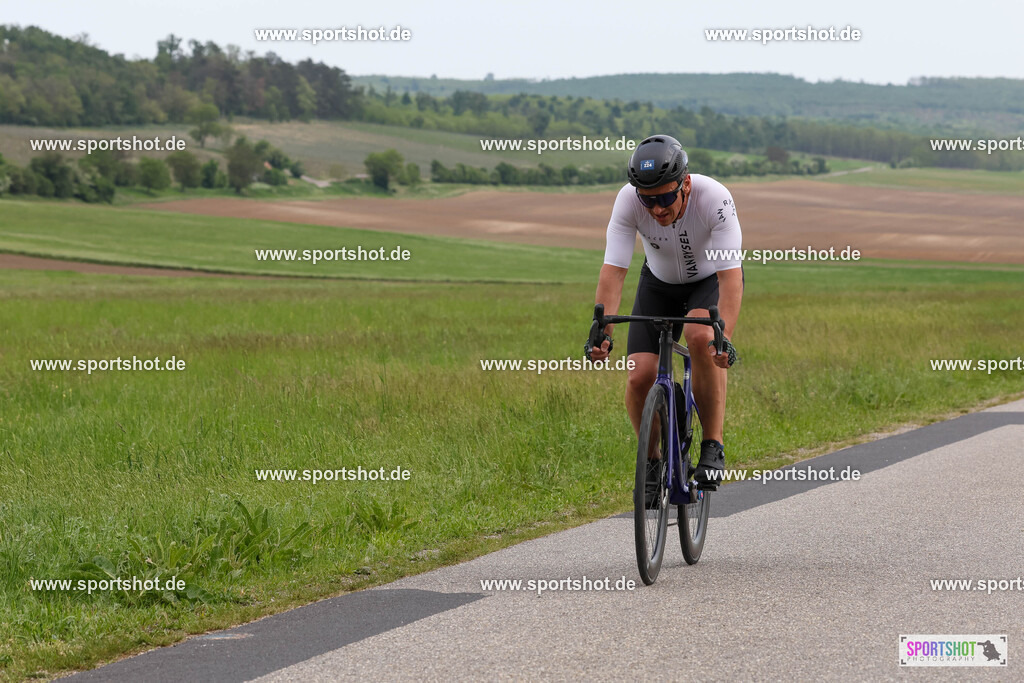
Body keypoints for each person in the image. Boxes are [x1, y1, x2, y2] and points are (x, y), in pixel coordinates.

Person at [588, 134, 743, 493]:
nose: (657, 209)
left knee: (701, 336)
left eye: (666, 198)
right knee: (639, 376)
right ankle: (654, 463)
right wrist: (603, 333)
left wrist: (725, 338)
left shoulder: (714, 198)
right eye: (648, 200)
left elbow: (730, 277)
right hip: (657, 283)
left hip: (708, 282)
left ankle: (713, 445)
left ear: (685, 184)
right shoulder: (628, 201)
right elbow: (614, 270)